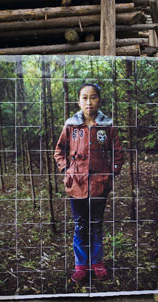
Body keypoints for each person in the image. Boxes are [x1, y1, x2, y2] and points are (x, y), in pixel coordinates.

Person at [54, 83, 125, 283]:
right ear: (78, 101)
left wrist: (111, 173)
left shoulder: (107, 125)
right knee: (80, 226)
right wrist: (66, 170)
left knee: (96, 225)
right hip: (76, 186)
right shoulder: (71, 125)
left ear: (98, 100)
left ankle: (97, 263)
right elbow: (59, 151)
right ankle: (80, 265)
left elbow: (118, 153)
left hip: (99, 186)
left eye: (92, 97)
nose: (88, 102)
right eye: (84, 98)